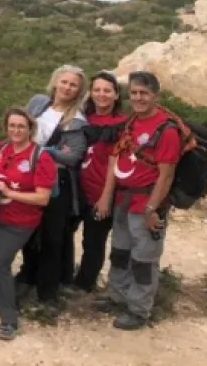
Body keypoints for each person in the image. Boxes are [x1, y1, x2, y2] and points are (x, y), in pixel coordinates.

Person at [98, 71, 183, 330]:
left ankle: (138, 310)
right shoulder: (131, 121)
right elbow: (118, 157)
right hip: (124, 198)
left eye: (144, 93)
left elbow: (166, 176)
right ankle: (118, 295)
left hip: (146, 202)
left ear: (155, 95)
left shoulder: (166, 130)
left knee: (144, 260)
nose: (138, 97)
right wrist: (108, 196)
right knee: (121, 252)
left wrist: (151, 209)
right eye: (134, 92)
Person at [0, 108, 57, 341]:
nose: (15, 130)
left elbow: (42, 197)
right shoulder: (1, 149)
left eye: (21, 126)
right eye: (12, 126)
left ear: (30, 129)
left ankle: (9, 320)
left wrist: (10, 193)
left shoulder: (40, 157)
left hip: (20, 220)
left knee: (0, 262)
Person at [18, 64, 88, 315]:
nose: (67, 88)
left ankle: (47, 292)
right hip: (29, 177)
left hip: (57, 184)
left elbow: (74, 157)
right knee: (28, 230)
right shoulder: (38, 104)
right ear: (55, 81)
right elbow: (20, 130)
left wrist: (43, 151)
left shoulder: (77, 120)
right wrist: (56, 152)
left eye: (73, 85)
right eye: (64, 82)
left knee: (52, 236)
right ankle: (27, 276)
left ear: (79, 91)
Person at [71, 71, 126, 294]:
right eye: (97, 90)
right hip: (77, 189)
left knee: (93, 240)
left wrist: (106, 197)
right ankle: (66, 275)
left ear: (115, 95)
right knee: (65, 235)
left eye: (107, 90)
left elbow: (116, 162)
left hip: (101, 192)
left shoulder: (121, 124)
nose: (101, 95)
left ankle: (85, 283)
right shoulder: (82, 117)